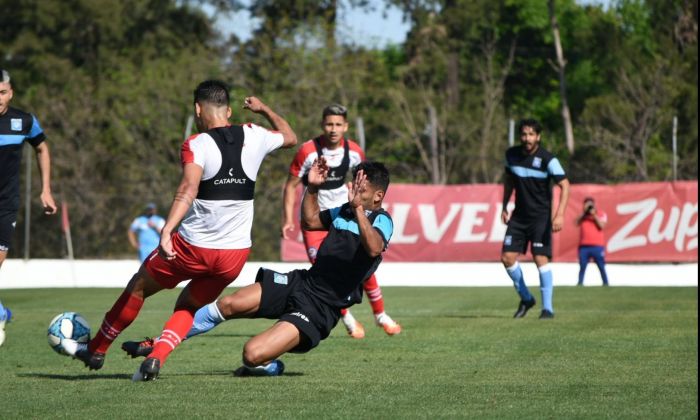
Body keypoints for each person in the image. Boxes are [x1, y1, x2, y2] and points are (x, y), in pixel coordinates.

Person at [67, 80, 297, 378]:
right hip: (234, 255)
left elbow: (187, 189)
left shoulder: (196, 144)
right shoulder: (254, 135)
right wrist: (263, 109)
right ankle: (157, 358)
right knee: (187, 306)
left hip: (192, 247)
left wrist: (166, 231)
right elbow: (291, 137)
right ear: (228, 110)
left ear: (197, 109)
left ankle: (97, 349)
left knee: (138, 287)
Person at [126, 159, 393, 378]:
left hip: (321, 308)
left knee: (251, 355)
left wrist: (358, 210)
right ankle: (159, 344)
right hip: (301, 282)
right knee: (229, 303)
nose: (353, 192)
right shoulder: (345, 210)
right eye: (353, 184)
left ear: (378, 195)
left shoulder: (383, 220)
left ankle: (270, 366)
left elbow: (373, 247)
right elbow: (310, 222)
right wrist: (311, 188)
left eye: (361, 189)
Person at [281, 104, 400, 338]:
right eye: (328, 124)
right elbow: (290, 185)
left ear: (345, 126)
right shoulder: (307, 151)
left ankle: (380, 315)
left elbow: (367, 181)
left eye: (338, 124)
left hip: (347, 215)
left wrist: (357, 208)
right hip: (318, 218)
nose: (333, 129)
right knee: (324, 268)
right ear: (322, 125)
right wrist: (287, 218)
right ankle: (346, 318)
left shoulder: (354, 151)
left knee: (362, 264)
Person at [0, 69, 57, 347]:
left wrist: (45, 189)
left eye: (2, 92)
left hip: (5, 204)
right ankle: (1, 313)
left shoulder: (24, 121)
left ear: (10, 92)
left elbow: (42, 148)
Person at [500, 118, 569, 319]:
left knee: (540, 258)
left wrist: (560, 214)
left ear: (538, 137)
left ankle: (547, 308)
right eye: (524, 134)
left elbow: (565, 184)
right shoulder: (511, 155)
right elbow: (509, 181)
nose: (527, 138)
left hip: (540, 218)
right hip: (519, 216)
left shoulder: (548, 159)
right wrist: (504, 205)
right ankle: (526, 298)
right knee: (507, 258)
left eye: (531, 134)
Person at [576, 197, 609, 286]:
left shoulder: (601, 214)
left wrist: (594, 215)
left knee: (601, 266)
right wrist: (585, 213)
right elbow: (576, 222)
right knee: (582, 266)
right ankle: (580, 284)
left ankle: (606, 283)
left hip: (597, 246)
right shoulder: (583, 217)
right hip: (584, 247)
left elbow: (601, 226)